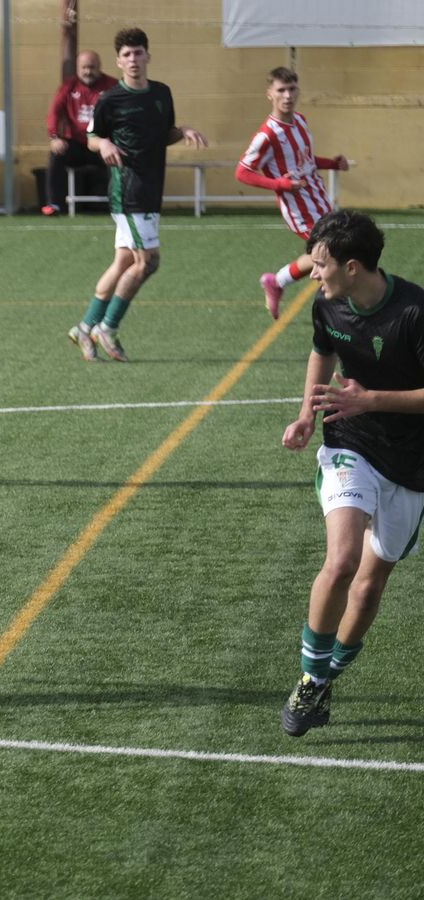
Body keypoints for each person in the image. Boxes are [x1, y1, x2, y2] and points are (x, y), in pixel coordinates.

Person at [278, 209, 424, 737]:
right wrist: (306, 414)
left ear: (353, 267)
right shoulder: (327, 304)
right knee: (341, 561)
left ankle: (328, 676)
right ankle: (311, 679)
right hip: (350, 443)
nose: (313, 274)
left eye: (320, 264)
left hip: (411, 462)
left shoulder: (415, 312)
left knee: (369, 582)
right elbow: (322, 352)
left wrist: (372, 399)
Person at [66, 27, 207, 363]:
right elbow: (92, 137)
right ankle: (108, 327)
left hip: (151, 188)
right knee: (149, 261)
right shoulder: (110, 99)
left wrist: (183, 131)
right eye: (126, 55)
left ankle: (85, 328)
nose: (133, 60)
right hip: (128, 191)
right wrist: (104, 144)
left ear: (148, 56)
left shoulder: (161, 93)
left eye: (138, 53)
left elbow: (163, 134)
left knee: (125, 262)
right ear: (118, 61)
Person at [237, 67, 349, 320]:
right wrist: (279, 184)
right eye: (281, 90)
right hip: (300, 209)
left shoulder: (300, 120)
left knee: (325, 253)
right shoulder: (267, 135)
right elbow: (242, 172)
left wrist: (332, 163)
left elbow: (306, 160)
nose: (287, 96)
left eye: (292, 89)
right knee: (333, 253)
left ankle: (276, 282)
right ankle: (340, 312)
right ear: (269, 94)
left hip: (319, 198)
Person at [42, 50, 117, 216]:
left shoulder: (112, 86)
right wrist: (54, 137)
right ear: (77, 68)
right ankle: (55, 204)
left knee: (119, 157)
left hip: (101, 144)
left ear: (99, 67)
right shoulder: (68, 87)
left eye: (92, 67)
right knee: (56, 155)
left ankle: (120, 204)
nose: (88, 71)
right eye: (84, 67)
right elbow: (54, 113)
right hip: (76, 145)